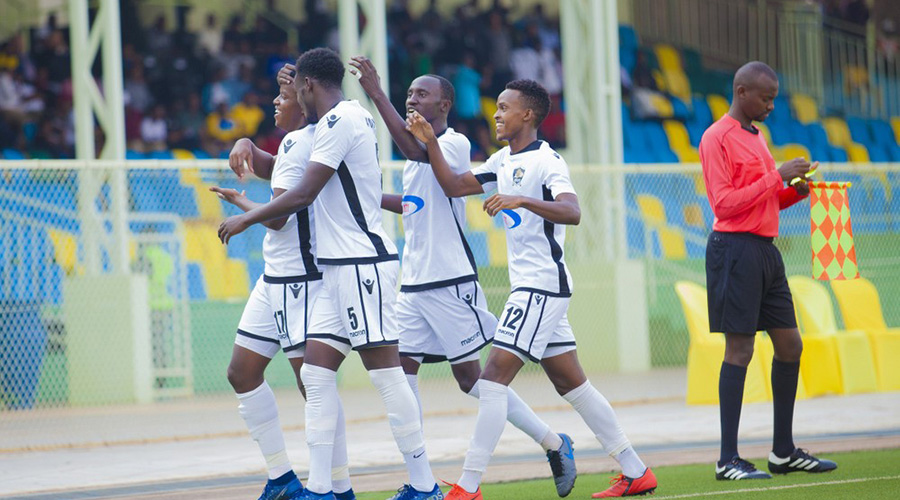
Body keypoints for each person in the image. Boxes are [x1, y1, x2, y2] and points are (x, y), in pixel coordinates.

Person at [405, 79, 656, 499]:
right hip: (536, 288)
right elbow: (452, 186)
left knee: (492, 380)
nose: (496, 114)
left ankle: (468, 486)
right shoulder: (502, 160)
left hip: (540, 287)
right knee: (572, 385)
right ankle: (636, 470)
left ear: (529, 115)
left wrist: (523, 201)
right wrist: (431, 142)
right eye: (497, 107)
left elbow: (572, 211)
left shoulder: (548, 161)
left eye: (504, 108)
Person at [347, 57, 576, 497]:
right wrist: (366, 196)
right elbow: (415, 205)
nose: (412, 99)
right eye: (408, 93)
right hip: (413, 284)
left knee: (474, 381)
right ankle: (421, 480)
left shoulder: (449, 144)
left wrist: (376, 91)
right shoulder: (419, 150)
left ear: (445, 104)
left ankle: (552, 442)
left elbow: (418, 153)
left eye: (421, 94)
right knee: (400, 376)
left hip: (450, 282)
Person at [218, 48, 440, 500]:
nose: (292, 94)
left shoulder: (343, 120)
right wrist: (259, 135)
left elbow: (302, 193)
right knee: (317, 376)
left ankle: (425, 486)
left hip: (362, 264)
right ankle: (322, 490)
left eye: (297, 87)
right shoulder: (328, 124)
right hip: (337, 269)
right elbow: (288, 159)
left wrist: (244, 215)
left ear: (310, 86)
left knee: (386, 375)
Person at [212, 67, 356, 500]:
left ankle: (340, 487)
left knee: (312, 385)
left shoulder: (310, 142)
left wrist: (244, 214)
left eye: (283, 95)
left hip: (304, 281)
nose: (275, 101)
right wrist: (247, 144)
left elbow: (277, 217)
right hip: (273, 278)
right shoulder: (297, 144)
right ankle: (281, 478)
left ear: (305, 101)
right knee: (241, 372)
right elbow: (275, 173)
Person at [699, 61, 838, 481]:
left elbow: (764, 201)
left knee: (791, 345)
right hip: (734, 250)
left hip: (765, 252)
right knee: (739, 350)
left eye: (774, 97)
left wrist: (797, 191)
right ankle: (728, 459)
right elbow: (724, 204)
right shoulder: (715, 137)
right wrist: (776, 176)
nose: (772, 105)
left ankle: (782, 451)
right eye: (766, 97)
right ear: (742, 92)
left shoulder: (758, 138)